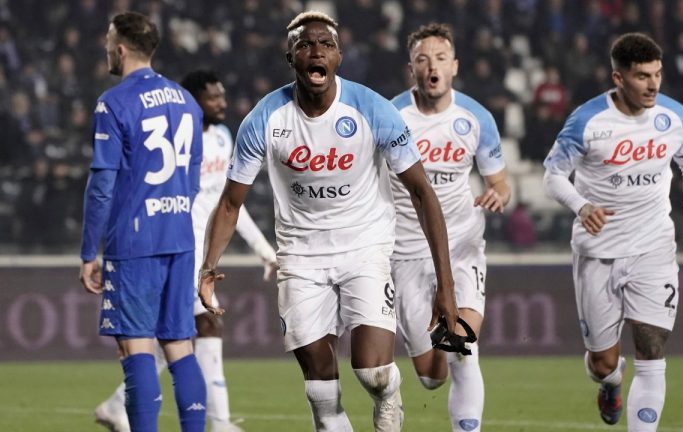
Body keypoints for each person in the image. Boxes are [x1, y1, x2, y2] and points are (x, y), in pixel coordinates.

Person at [198, 11, 458, 432]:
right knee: (321, 393)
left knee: (372, 372)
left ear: (339, 57)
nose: (316, 50)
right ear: (290, 57)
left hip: (365, 247)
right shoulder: (266, 118)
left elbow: (422, 193)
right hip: (300, 257)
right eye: (305, 44)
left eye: (326, 44)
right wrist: (208, 268)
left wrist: (446, 288)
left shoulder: (371, 109)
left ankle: (389, 395)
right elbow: (229, 203)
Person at [93, 70, 278, 432]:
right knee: (204, 327)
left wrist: (262, 248)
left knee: (179, 336)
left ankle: (117, 405)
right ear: (194, 101)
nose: (222, 103)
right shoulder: (182, 134)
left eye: (223, 95)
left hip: (197, 251)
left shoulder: (224, 138)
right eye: (213, 97)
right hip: (174, 245)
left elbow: (226, 203)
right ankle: (220, 423)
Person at [542, 33, 683, 431]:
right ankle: (610, 381)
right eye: (641, 76)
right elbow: (552, 176)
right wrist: (581, 207)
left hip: (653, 247)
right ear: (618, 77)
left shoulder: (675, 117)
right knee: (602, 361)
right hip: (598, 252)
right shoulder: (587, 121)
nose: (653, 85)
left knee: (652, 352)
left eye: (657, 74)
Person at [79, 11, 207, 432]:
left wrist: (88, 252)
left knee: (136, 350)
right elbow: (191, 181)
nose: (105, 50)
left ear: (120, 49)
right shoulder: (187, 101)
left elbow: (101, 185)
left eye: (107, 43)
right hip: (179, 236)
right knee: (180, 347)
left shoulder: (113, 102)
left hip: (135, 242)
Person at [389, 23, 510, 432]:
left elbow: (500, 181)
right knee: (430, 375)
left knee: (462, 346)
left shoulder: (476, 118)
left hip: (461, 242)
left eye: (440, 58)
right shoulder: (390, 117)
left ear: (454, 66)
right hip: (405, 251)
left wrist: (498, 195)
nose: (432, 66)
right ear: (412, 69)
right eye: (423, 60)